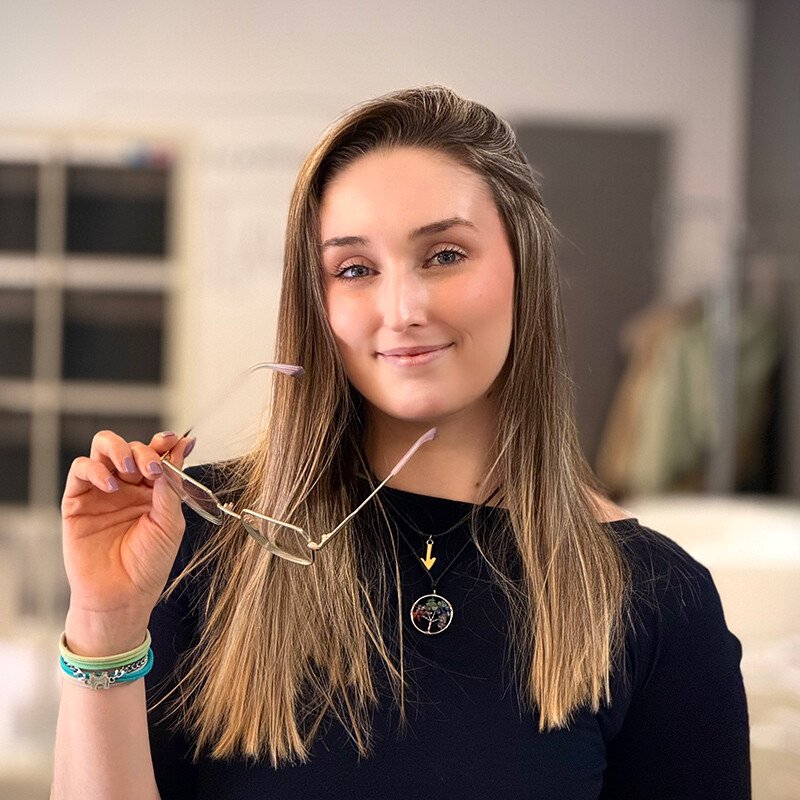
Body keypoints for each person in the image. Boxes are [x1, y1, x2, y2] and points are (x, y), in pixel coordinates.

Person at [51, 86, 750, 799]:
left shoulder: (657, 599)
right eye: (355, 269)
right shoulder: (190, 537)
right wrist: (106, 623)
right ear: (317, 302)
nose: (403, 309)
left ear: (524, 269)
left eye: (445, 255)